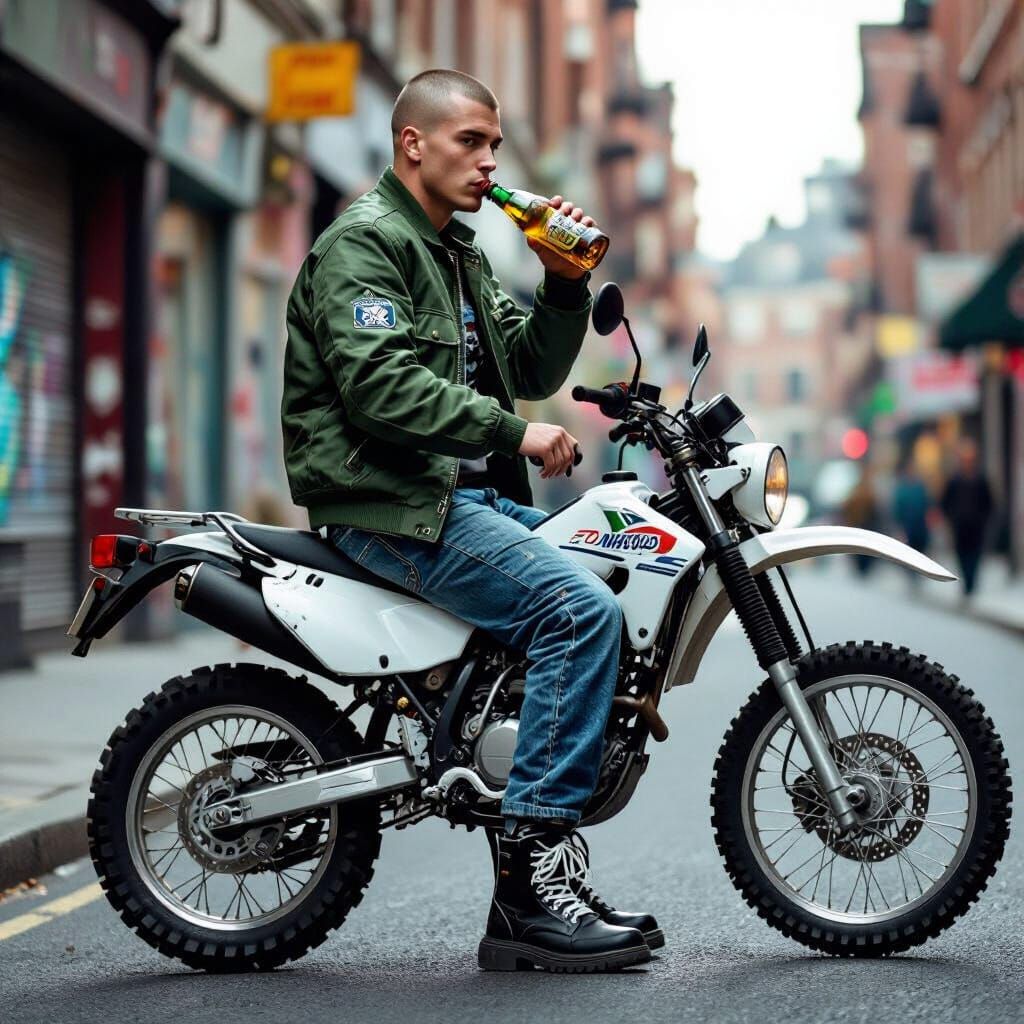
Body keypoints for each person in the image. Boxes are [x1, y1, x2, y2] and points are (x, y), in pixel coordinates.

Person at [281, 69, 656, 973]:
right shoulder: (366, 244)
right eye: (471, 142)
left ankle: (535, 871)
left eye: (495, 144)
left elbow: (523, 367)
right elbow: (380, 391)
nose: (492, 161)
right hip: (393, 504)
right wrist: (517, 435)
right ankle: (532, 892)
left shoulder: (460, 253)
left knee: (591, 583)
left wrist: (564, 285)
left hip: (458, 501)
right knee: (579, 614)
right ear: (413, 143)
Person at [940, 438, 994, 597]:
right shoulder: (954, 481)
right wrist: (951, 518)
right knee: (962, 556)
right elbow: (945, 502)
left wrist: (983, 519)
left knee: (975, 556)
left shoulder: (981, 480)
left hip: (976, 527)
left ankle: (972, 584)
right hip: (960, 526)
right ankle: (966, 583)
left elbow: (989, 502)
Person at [891, 461, 932, 589]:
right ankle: (911, 574)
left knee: (920, 549)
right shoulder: (902, 489)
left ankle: (918, 573)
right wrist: (899, 526)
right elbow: (897, 509)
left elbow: (928, 504)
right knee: (909, 551)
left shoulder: (920, 487)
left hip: (920, 525)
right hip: (907, 525)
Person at [842, 466, 881, 576]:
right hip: (858, 526)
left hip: (865, 526)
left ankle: (862, 569)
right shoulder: (859, 491)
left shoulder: (870, 493)